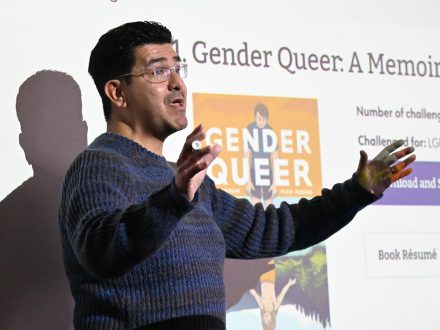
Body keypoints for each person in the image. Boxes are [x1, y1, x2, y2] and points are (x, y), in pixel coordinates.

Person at [58, 21, 416, 330]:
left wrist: (357, 192)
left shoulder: (186, 182)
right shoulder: (100, 165)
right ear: (117, 92)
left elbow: (273, 229)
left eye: (178, 69)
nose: (178, 84)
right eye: (158, 71)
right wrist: (174, 198)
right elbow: (100, 250)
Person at [244, 103, 278, 207]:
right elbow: (246, 155)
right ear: (255, 117)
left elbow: (275, 157)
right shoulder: (250, 128)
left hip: (268, 172)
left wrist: (275, 182)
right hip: (254, 170)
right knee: (256, 203)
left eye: (264, 119)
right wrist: (248, 180)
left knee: (269, 203)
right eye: (259, 118)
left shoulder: (270, 130)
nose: (261, 122)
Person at [249, 259, 296, 330]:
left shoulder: (262, 306)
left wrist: (245, 286)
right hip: (271, 278)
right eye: (268, 321)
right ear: (272, 319)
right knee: (270, 258)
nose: (266, 318)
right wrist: (289, 284)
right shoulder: (275, 306)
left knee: (263, 259)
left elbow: (254, 293)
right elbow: (282, 293)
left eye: (264, 321)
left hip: (263, 278)